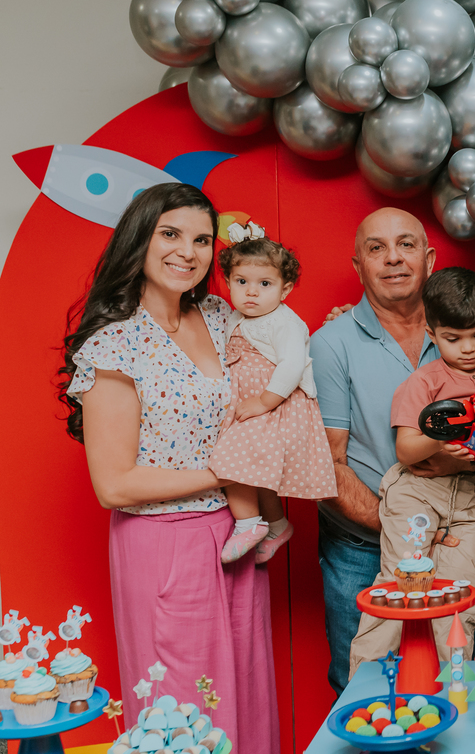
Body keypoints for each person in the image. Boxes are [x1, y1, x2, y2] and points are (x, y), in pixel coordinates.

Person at [59, 183, 278, 752]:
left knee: (246, 696)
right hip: (164, 545)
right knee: (184, 712)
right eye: (171, 234)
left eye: (203, 239)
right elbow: (115, 484)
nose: (188, 251)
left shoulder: (220, 315)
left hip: (236, 537)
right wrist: (229, 472)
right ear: (140, 240)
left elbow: (271, 377)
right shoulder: (116, 345)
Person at [310, 208, 475, 695]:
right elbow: (326, 464)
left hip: (459, 541)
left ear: (430, 258)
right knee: (365, 691)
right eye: (376, 248)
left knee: (453, 682)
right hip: (361, 549)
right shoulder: (330, 344)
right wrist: (412, 530)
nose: (393, 258)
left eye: (406, 245)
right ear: (358, 266)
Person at [348, 268, 475, 671]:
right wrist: (449, 434)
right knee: (400, 585)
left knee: (460, 597)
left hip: (472, 499)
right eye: (452, 338)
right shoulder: (423, 382)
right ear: (432, 332)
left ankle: (453, 687)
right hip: (418, 492)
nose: (467, 348)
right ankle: (367, 683)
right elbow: (407, 449)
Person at [209, 223, 337, 564]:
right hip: (251, 404)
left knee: (231, 459)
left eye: (264, 284)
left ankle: (249, 524)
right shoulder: (235, 317)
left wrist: (265, 401)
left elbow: (292, 365)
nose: (252, 292)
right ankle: (277, 525)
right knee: (255, 471)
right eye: (241, 282)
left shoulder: (283, 321)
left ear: (285, 288)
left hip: (276, 406)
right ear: (228, 282)